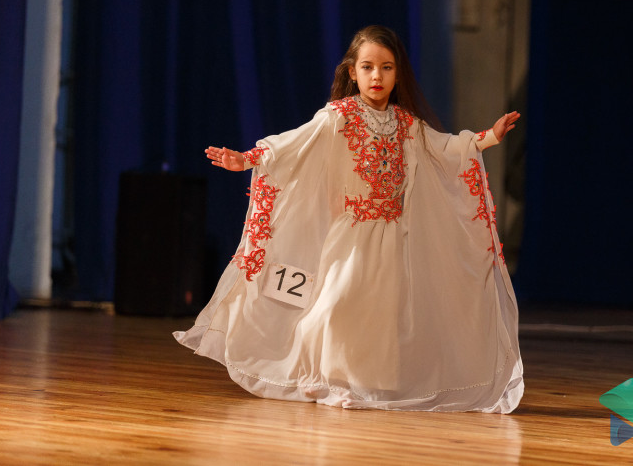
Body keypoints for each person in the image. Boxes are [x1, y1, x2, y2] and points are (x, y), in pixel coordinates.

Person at [174, 25, 524, 413]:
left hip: (392, 237)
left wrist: (488, 137)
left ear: (398, 74)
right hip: (352, 233)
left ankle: (367, 384)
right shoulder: (338, 117)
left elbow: (446, 149)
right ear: (353, 72)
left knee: (380, 312)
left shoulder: (406, 124)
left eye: (387, 67)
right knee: (336, 303)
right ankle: (326, 377)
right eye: (368, 67)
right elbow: (295, 143)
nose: (377, 76)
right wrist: (246, 159)